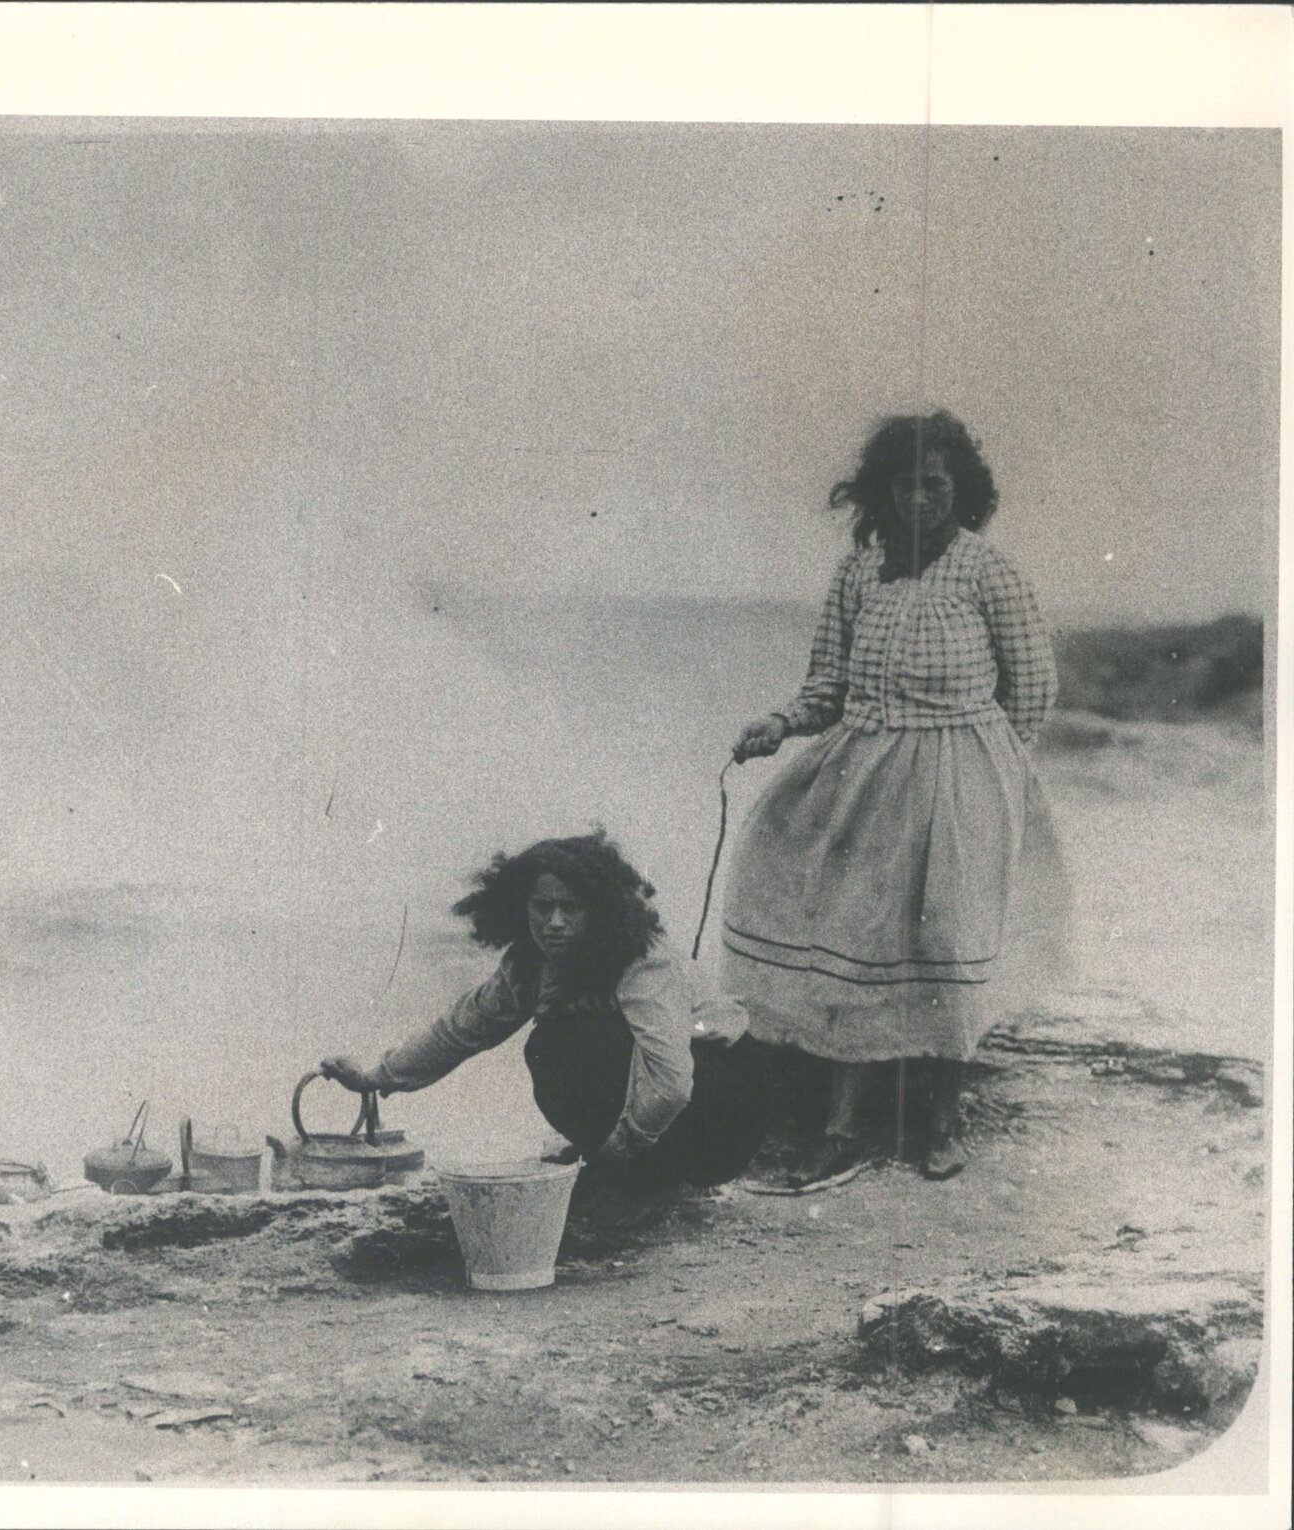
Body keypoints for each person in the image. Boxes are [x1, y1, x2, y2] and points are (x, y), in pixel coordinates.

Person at [722, 410, 1069, 1185]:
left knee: (943, 939)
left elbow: (1034, 689)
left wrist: (986, 773)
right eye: (905, 484)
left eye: (936, 485)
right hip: (863, 775)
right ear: (881, 491)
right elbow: (827, 685)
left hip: (963, 778)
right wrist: (778, 724)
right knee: (855, 938)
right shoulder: (858, 573)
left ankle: (938, 1125)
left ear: (962, 490)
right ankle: (841, 1129)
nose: (920, 499)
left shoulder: (988, 572)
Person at [320, 830, 765, 1191]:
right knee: (554, 1047)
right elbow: (460, 1030)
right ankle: (640, 1172)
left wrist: (616, 1153)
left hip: (721, 1105)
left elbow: (670, 1084)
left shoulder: (642, 960)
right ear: (522, 907)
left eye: (571, 908)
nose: (554, 922)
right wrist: (376, 1078)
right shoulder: (530, 965)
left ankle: (649, 1177)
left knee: (563, 1044)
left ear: (600, 912)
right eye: (542, 906)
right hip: (663, 1102)